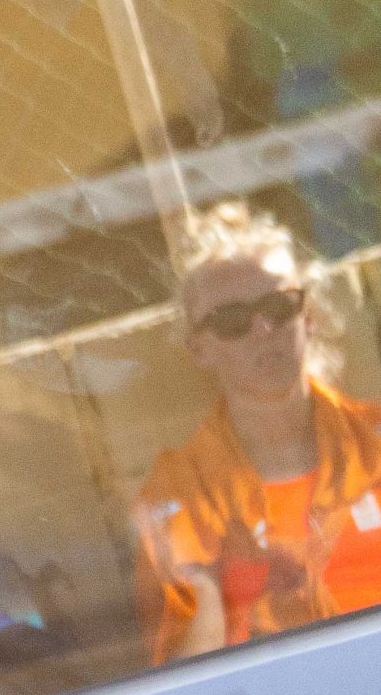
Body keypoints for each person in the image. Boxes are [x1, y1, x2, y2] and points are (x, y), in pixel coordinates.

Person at [135, 201, 381, 664]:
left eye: (278, 305)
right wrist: (218, 595)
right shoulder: (180, 496)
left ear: (308, 317)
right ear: (198, 348)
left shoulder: (376, 443)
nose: (263, 329)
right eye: (232, 321)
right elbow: (183, 679)